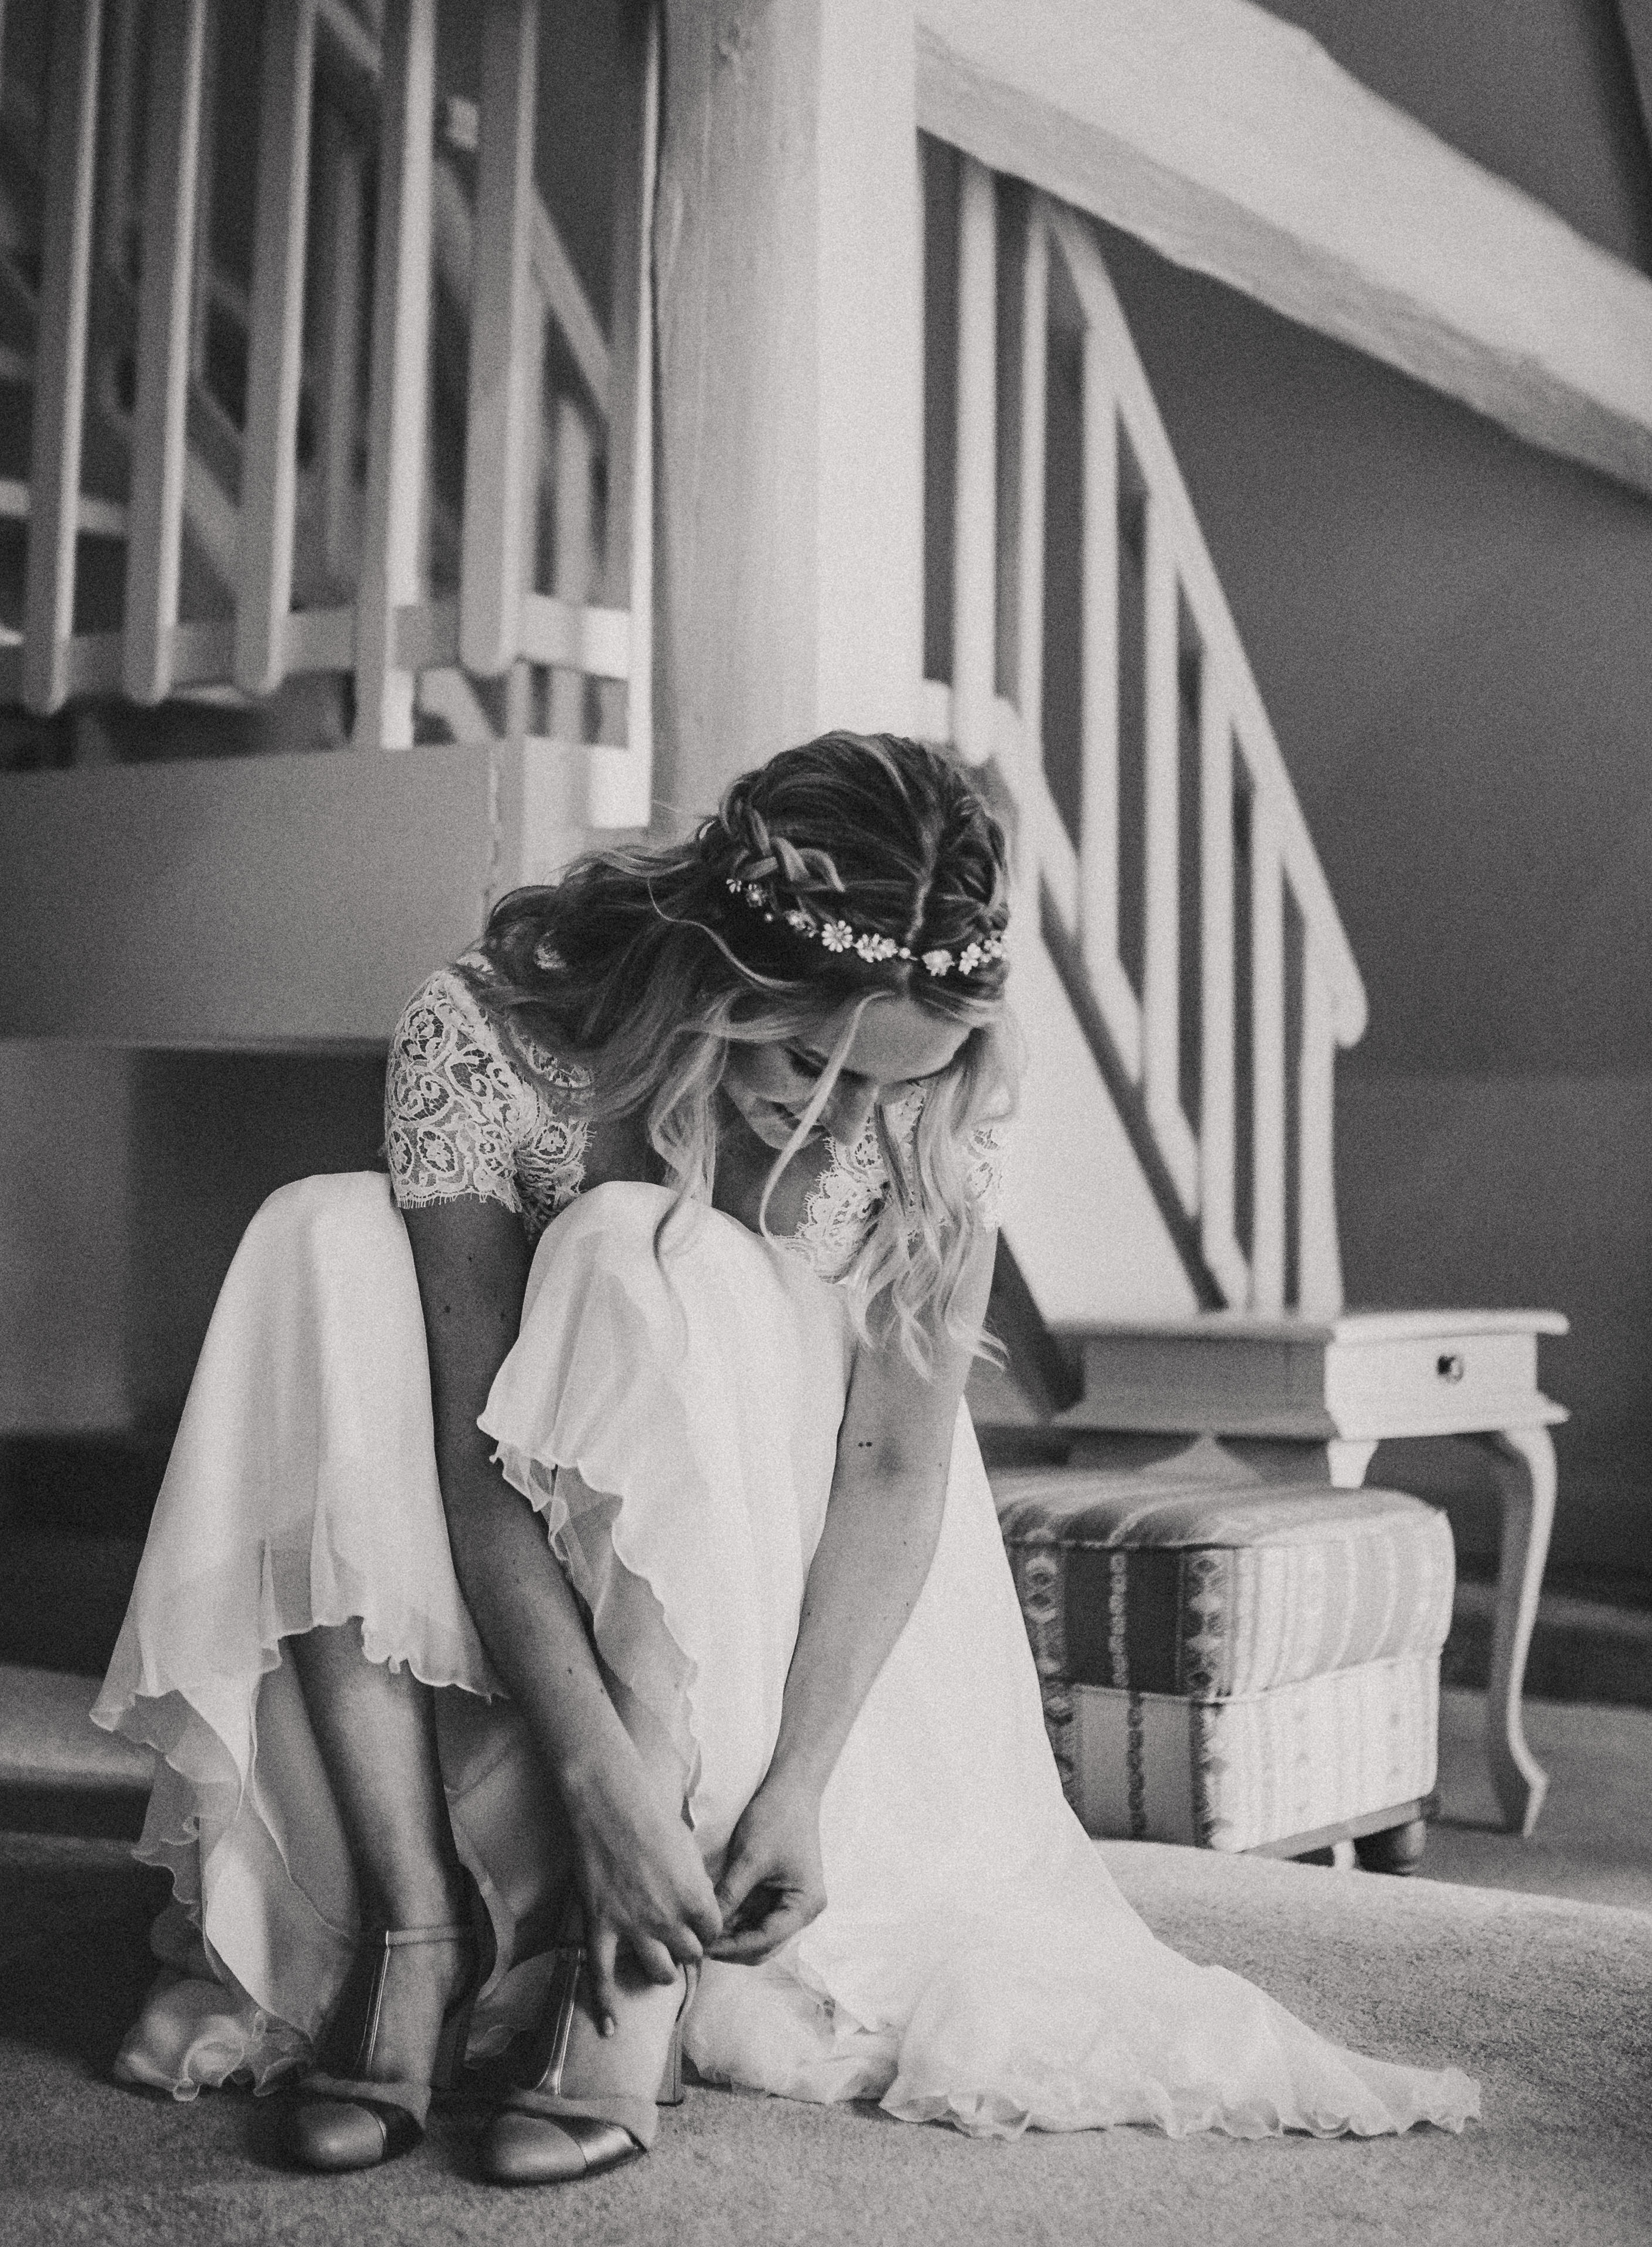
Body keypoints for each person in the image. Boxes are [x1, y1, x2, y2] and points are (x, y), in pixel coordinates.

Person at [95, 731, 1476, 2183]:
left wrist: (798, 1781)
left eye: (897, 1081)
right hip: (503, 1586)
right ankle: (411, 1915)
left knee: (640, 1250)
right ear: (710, 972)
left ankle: (629, 1969)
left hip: (780, 1619)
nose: (849, 1117)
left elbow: (892, 1474)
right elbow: (467, 1450)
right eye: (811, 1059)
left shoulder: (932, 1113)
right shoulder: (492, 1030)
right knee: (320, 1232)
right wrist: (593, 1776)